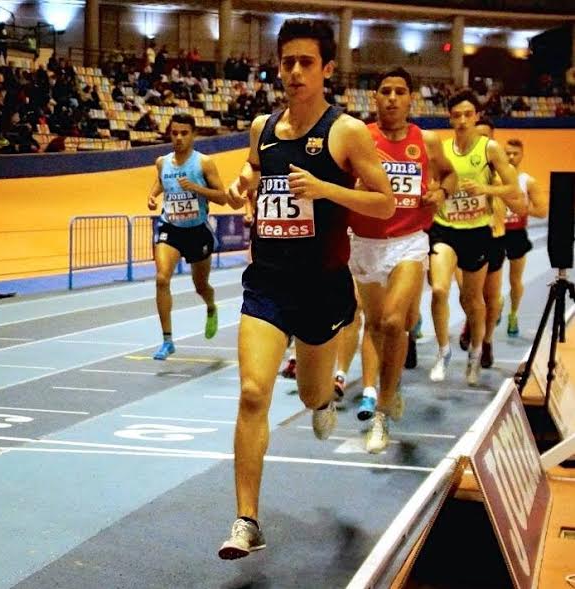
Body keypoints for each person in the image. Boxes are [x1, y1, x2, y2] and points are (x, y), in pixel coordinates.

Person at [220, 18, 394, 559]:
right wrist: (241, 185)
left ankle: (325, 400)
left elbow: (386, 202)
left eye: (305, 63)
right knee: (253, 393)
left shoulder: (346, 133)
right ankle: (246, 520)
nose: (294, 72)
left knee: (314, 394)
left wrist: (326, 189)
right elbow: (253, 171)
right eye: (287, 62)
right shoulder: (262, 128)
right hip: (268, 283)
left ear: (327, 70)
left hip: (321, 286)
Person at [348, 67, 456, 452]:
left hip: (409, 241)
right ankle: (383, 391)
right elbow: (340, 183)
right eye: (385, 92)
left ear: (412, 99)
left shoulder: (425, 140)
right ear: (374, 98)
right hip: (364, 242)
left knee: (395, 321)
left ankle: (382, 409)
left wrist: (441, 192)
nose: (392, 98)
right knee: (375, 325)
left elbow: (449, 175)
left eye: (399, 92)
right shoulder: (359, 139)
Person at [428, 90, 521, 386]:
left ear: (477, 116)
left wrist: (486, 190)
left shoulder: (489, 148)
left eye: (468, 114)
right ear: (450, 118)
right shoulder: (441, 149)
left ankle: (476, 352)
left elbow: (513, 188)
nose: (463, 120)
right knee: (439, 290)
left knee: (472, 300)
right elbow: (433, 182)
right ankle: (443, 351)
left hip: (478, 232)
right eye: (457, 115)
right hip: (445, 228)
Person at [147, 113, 227, 360]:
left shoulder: (204, 163)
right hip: (170, 228)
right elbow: (161, 182)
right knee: (161, 278)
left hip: (197, 231)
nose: (179, 138)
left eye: (184, 133)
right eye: (174, 133)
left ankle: (211, 307)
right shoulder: (163, 162)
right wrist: (152, 195)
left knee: (200, 286)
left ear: (193, 135)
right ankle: (167, 340)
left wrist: (196, 188)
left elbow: (222, 197)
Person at [503, 138, 548, 337]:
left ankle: (513, 314)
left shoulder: (527, 181)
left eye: (515, 153)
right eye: (508, 153)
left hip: (516, 233)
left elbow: (542, 211)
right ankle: (495, 305)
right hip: (493, 232)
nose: (511, 157)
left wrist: (521, 208)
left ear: (522, 155)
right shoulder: (493, 178)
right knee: (487, 281)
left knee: (515, 280)